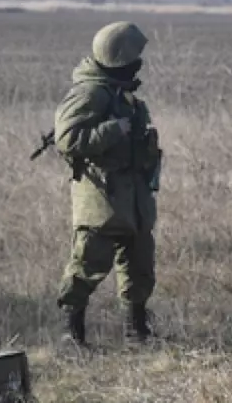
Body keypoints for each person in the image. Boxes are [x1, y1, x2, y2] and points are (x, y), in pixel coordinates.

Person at [54, 21, 163, 347]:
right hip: (103, 197)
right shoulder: (90, 93)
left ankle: (137, 333)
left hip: (134, 198)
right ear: (119, 58)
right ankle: (71, 337)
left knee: (139, 266)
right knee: (88, 265)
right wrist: (113, 130)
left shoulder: (121, 94)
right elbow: (68, 139)